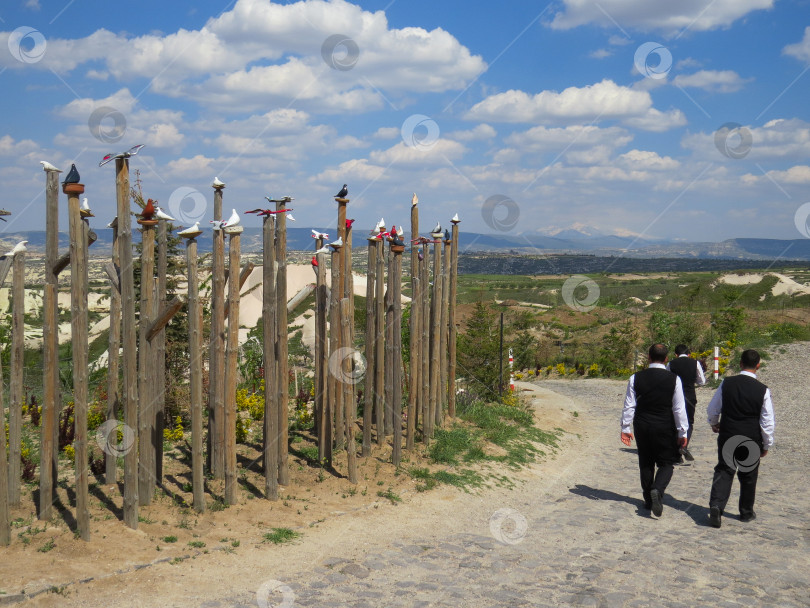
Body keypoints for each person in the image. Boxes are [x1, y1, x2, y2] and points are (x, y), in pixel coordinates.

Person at [706, 349, 775, 528]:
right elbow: (767, 422)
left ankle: (716, 506)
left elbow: (713, 407)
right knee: (749, 475)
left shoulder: (727, 383)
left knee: (724, 471)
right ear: (758, 366)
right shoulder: (763, 390)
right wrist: (767, 444)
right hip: (751, 437)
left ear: (740, 364)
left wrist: (714, 423)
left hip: (729, 433)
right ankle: (746, 512)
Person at [621, 344, 689, 517]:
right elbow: (679, 409)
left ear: (649, 357)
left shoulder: (635, 378)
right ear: (666, 359)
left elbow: (630, 405)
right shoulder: (674, 379)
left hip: (642, 424)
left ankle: (648, 500)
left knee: (646, 461)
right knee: (667, 463)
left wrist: (625, 427)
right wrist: (683, 432)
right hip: (664, 425)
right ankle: (657, 490)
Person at [667, 344, 707, 462]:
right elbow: (702, 382)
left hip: (674, 397)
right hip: (689, 396)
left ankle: (677, 454)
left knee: (675, 422)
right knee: (689, 422)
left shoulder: (671, 363)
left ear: (675, 354)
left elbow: (667, 378)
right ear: (689, 354)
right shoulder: (695, 363)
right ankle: (683, 446)